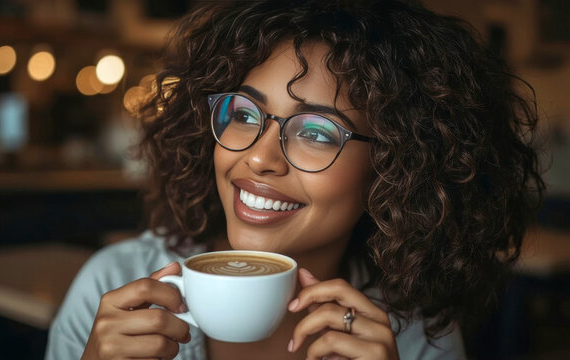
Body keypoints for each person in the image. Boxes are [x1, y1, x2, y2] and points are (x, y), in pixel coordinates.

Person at [45, 1, 545, 359]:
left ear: (397, 168)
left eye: (317, 132)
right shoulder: (111, 289)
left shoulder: (414, 335)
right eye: (244, 113)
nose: (260, 159)